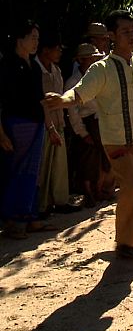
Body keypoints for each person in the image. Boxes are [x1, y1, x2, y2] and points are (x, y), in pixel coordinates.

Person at [43, 10, 133, 261]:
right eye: (126, 32)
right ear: (112, 36)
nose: (132, 36)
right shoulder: (101, 69)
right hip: (115, 140)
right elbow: (78, 93)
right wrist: (62, 100)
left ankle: (132, 245)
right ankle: (126, 245)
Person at [0, 20, 54, 239]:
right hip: (15, 124)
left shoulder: (34, 67)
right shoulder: (7, 66)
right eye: (32, 37)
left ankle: (29, 216)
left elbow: (42, 101)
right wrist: (1, 133)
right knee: (15, 172)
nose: (35, 42)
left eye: (37, 39)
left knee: (32, 173)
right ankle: (12, 221)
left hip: (37, 125)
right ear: (19, 39)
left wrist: (50, 126)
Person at [36, 31, 79, 215]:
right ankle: (41, 205)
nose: (60, 53)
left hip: (58, 121)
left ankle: (59, 200)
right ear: (46, 50)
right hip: (43, 124)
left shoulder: (56, 70)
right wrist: (49, 126)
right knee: (43, 165)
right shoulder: (36, 70)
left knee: (59, 165)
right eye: (57, 49)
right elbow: (41, 102)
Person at [66, 44, 113, 207]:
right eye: (90, 58)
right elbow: (72, 111)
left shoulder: (97, 76)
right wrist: (82, 132)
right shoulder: (73, 82)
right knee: (88, 158)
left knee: (103, 158)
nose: (93, 60)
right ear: (81, 60)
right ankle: (88, 192)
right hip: (88, 122)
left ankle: (100, 190)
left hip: (101, 120)